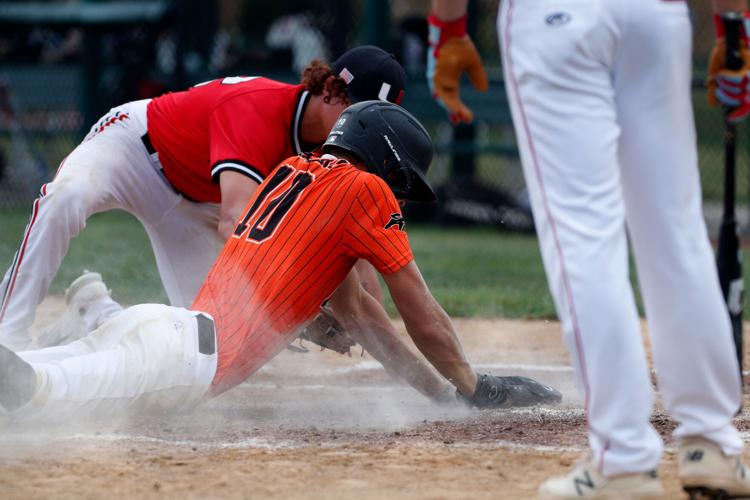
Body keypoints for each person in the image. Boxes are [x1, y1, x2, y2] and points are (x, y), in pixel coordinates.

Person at [0, 101, 562, 422]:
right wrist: (471, 385)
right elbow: (421, 316)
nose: (401, 192)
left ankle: (90, 312)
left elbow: (364, 318)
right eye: (402, 179)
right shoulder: (365, 190)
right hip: (183, 360)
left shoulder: (294, 168)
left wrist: (441, 397)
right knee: (38, 391)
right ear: (384, 161)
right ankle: (74, 331)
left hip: (165, 331)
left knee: (46, 374)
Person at [428, 0, 750, 498]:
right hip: (656, 19)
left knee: (583, 237)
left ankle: (621, 456)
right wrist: (735, 27)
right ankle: (712, 443)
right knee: (677, 233)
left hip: (555, 20)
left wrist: (447, 27)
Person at [0, 45, 405, 352]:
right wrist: (300, 310)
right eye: (360, 110)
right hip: (136, 151)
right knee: (67, 197)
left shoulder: (335, 152)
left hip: (198, 205)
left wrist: (366, 317)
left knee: (203, 349)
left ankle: (94, 316)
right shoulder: (261, 108)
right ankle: (8, 335)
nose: (363, 126)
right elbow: (236, 223)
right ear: (332, 90)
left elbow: (351, 249)